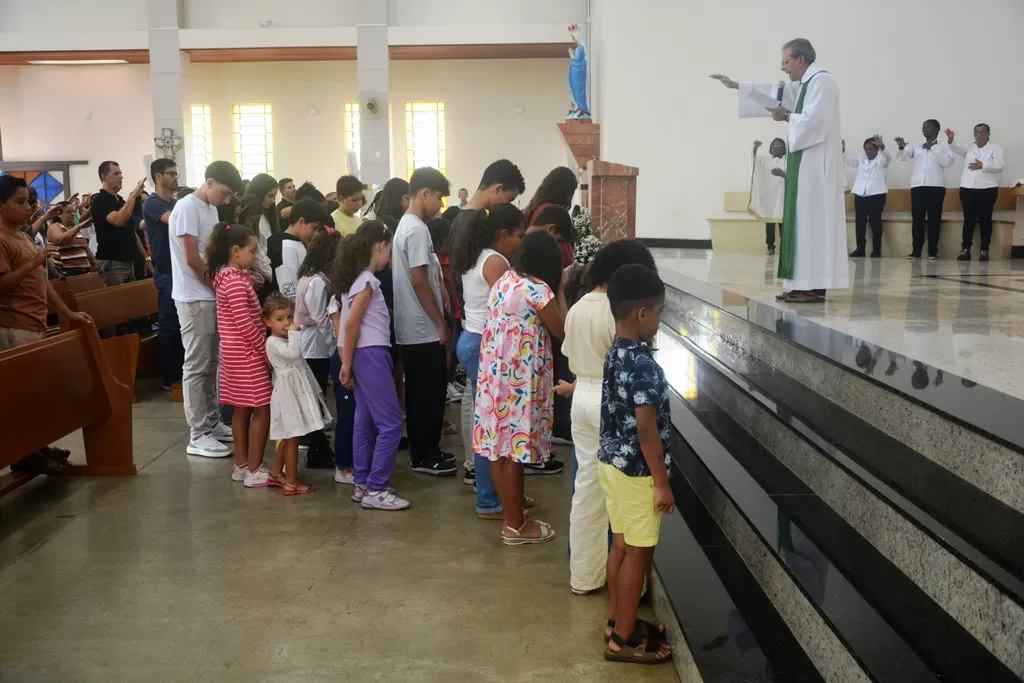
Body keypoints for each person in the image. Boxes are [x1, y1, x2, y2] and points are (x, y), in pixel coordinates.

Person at [711, 37, 848, 303]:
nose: (783, 67)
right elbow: (777, 92)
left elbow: (816, 121)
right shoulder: (807, 83)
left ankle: (815, 287)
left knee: (812, 225)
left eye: (786, 61)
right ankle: (800, 284)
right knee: (801, 225)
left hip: (816, 169)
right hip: (804, 166)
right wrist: (738, 86)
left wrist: (786, 116)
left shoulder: (822, 82)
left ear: (800, 59)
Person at [556, 240, 658, 596]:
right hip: (611, 402)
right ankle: (630, 587)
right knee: (624, 492)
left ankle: (584, 576)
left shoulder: (580, 306)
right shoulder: (615, 312)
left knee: (587, 489)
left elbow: (573, 354)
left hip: (581, 397)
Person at [600, 263, 673, 665]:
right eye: (659, 312)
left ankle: (617, 620)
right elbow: (647, 429)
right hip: (637, 472)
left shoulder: (617, 351)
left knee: (621, 545)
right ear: (643, 313)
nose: (660, 319)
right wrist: (661, 482)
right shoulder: (643, 364)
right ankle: (623, 640)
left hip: (612, 464)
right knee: (639, 554)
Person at [475, 230, 567, 545]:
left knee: (499, 450)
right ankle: (514, 526)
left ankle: (512, 518)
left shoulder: (504, 282)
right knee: (513, 452)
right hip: (519, 382)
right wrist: (561, 290)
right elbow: (562, 330)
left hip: (494, 378)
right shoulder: (538, 290)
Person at [0, 175, 92, 475]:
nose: (28, 208)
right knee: (21, 395)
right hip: (14, 324)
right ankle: (24, 453)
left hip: (34, 320)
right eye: (20, 202)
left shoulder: (22, 235)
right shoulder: (2, 239)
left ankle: (36, 445)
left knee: (34, 392)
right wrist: (32, 262)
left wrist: (67, 313)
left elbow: (41, 281)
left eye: (27, 201)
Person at [452, 204, 527, 518]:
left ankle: (499, 493)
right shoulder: (495, 261)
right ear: (503, 234)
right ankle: (489, 498)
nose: (520, 242)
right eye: (518, 235)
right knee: (491, 427)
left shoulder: (476, 255)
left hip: (472, 339)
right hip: (487, 344)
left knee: (488, 423)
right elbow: (506, 308)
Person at [169, 160, 243, 458]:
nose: (226, 200)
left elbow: (211, 254)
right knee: (197, 366)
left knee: (212, 363)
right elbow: (192, 258)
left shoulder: (210, 209)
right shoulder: (187, 207)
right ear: (209, 182)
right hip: (193, 296)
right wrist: (218, 285)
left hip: (209, 294)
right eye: (224, 193)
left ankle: (212, 423)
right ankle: (197, 434)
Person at [335, 221, 409, 510]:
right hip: (371, 354)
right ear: (381, 246)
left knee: (364, 420)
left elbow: (346, 326)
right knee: (391, 424)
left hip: (362, 355)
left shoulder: (352, 281)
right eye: (389, 251)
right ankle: (377, 488)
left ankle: (363, 482)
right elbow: (351, 324)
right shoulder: (367, 281)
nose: (389, 257)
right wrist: (347, 364)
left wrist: (347, 362)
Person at [392, 167, 457, 475]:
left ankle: (427, 449)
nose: (441, 204)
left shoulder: (409, 225)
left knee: (424, 392)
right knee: (427, 394)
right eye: (439, 197)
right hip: (422, 327)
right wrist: (440, 321)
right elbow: (419, 280)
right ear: (424, 193)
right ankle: (424, 455)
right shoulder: (416, 229)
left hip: (416, 325)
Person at [205, 223, 273, 487]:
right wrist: (264, 349)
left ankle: (241, 465)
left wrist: (250, 276)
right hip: (246, 353)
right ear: (235, 251)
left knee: (241, 408)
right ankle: (254, 469)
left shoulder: (230, 277)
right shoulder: (234, 281)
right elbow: (244, 322)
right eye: (252, 251)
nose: (254, 256)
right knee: (262, 408)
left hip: (234, 352)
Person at [264, 293, 325, 496]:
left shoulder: (285, 339)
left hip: (295, 392)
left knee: (289, 435)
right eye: (280, 319)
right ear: (268, 322)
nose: (286, 323)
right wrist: (295, 334)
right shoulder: (272, 342)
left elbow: (302, 365)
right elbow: (293, 354)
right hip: (287, 395)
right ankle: (291, 481)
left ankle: (275, 473)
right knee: (292, 438)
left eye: (289, 317)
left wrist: (315, 391)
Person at [295, 230, 341, 468]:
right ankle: (316, 449)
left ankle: (317, 443)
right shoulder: (317, 282)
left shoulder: (310, 277)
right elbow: (320, 317)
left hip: (314, 342)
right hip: (316, 345)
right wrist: (335, 344)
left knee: (316, 396)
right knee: (316, 396)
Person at [143, 158, 184, 390]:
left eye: (176, 174)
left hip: (180, 270)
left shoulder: (176, 202)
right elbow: (173, 220)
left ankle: (182, 370)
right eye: (172, 174)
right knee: (169, 324)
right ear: (159, 177)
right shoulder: (153, 203)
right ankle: (171, 376)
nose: (176, 177)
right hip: (166, 271)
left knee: (181, 323)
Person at [895, 119, 953, 260]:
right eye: (923, 127)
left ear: (936, 129)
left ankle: (933, 252)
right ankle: (916, 251)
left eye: (927, 127)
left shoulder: (944, 145)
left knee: (934, 219)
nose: (924, 130)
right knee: (917, 219)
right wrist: (901, 147)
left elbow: (947, 162)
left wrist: (933, 148)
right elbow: (903, 157)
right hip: (918, 186)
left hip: (936, 186)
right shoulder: (916, 144)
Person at [448, 160, 526, 262]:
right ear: (497, 189)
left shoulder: (461, 217)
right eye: (509, 199)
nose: (508, 205)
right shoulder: (476, 222)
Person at [948, 124, 1005, 262]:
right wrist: (951, 140)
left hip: (987, 189)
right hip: (967, 188)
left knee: (985, 219)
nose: (980, 134)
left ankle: (984, 250)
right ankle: (965, 249)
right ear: (974, 135)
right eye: (977, 132)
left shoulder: (995, 148)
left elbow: (1000, 166)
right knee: (969, 219)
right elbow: (955, 147)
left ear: (988, 134)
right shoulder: (969, 148)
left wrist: (983, 165)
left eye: (983, 132)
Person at [91, 161, 152, 286]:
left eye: (121, 173)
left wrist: (145, 257)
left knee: (129, 297)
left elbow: (131, 231)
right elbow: (119, 220)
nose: (121, 177)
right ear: (104, 177)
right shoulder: (100, 200)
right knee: (116, 298)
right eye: (116, 174)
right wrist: (133, 196)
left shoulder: (119, 200)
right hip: (112, 262)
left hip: (129, 260)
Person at [267, 198, 331, 299]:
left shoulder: (298, 243)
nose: (316, 234)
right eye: (314, 228)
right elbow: (289, 292)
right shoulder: (287, 247)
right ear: (301, 221)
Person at [844, 135, 890, 258]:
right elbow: (848, 160)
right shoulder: (861, 159)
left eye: (871, 149)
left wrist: (882, 146)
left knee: (875, 222)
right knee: (860, 223)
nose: (868, 151)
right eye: (866, 149)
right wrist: (843, 150)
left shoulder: (882, 159)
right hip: (860, 194)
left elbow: (888, 156)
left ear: (876, 149)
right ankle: (860, 249)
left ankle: (876, 250)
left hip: (877, 195)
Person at [750, 138, 787, 255]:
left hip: (782, 196)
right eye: (774, 146)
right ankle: (770, 246)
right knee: (769, 223)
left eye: (779, 146)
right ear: (770, 148)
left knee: (783, 223)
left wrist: (783, 174)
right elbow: (754, 161)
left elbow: (794, 175)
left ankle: (784, 246)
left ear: (784, 149)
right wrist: (755, 148)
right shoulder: (764, 160)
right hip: (769, 197)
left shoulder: (788, 160)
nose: (776, 148)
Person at [244, 173, 278, 291]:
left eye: (274, 196)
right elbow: (257, 253)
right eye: (270, 196)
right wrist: (273, 277)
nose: (273, 201)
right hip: (259, 272)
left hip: (268, 268)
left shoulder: (268, 215)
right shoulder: (252, 217)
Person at [46, 201, 96, 277]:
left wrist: (97, 265)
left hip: (82, 273)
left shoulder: (74, 228)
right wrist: (78, 227)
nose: (73, 214)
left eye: (73, 211)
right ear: (59, 214)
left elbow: (87, 250)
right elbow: (60, 240)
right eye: (69, 212)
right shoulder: (54, 227)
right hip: (65, 273)